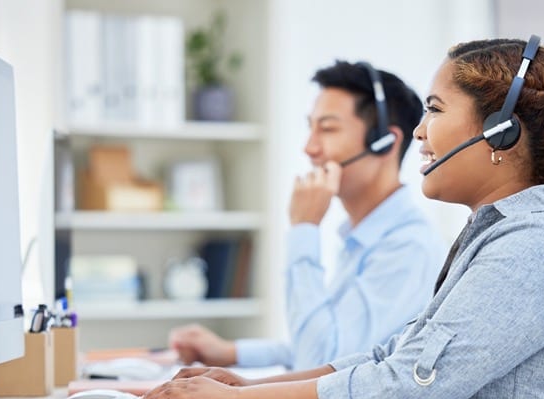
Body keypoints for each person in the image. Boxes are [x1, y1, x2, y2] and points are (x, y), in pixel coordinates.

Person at [145, 36, 544, 399]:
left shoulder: (540, 244)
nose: (420, 132)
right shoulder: (504, 235)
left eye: (434, 110)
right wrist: (250, 386)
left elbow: (411, 384)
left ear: (500, 133)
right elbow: (393, 357)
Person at [169, 61, 444, 371]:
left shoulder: (407, 248)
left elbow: (321, 364)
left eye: (326, 129)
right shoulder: (366, 236)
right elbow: (324, 344)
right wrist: (232, 352)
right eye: (310, 127)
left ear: (385, 142)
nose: (309, 148)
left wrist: (304, 228)